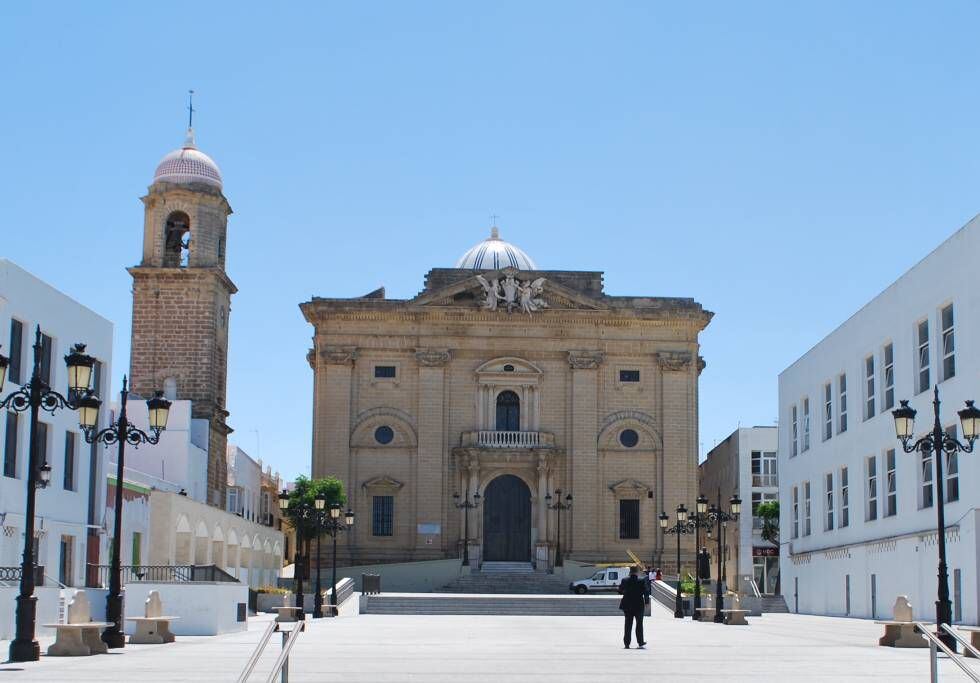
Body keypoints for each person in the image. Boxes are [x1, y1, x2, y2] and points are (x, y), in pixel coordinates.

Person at [618, 565, 649, 649]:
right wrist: (646, 602)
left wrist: (625, 591)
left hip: (627, 604)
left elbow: (620, 591)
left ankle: (627, 643)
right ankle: (640, 642)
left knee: (628, 624)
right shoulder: (641, 580)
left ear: (630, 572)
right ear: (637, 572)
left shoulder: (624, 580)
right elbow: (646, 592)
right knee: (639, 624)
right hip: (639, 605)